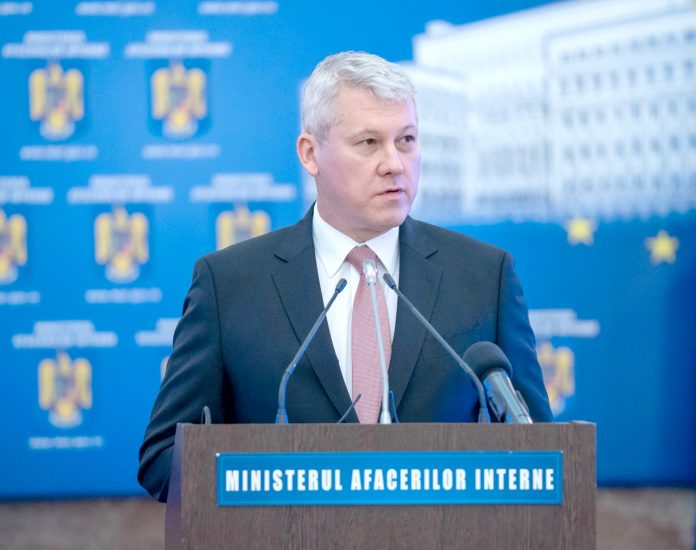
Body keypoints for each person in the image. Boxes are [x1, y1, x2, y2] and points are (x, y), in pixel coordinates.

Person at [138, 51, 553, 502]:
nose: (394, 163)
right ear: (310, 154)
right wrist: (268, 483)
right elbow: (163, 458)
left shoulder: (484, 277)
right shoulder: (229, 285)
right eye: (369, 142)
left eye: (406, 140)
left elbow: (540, 455)